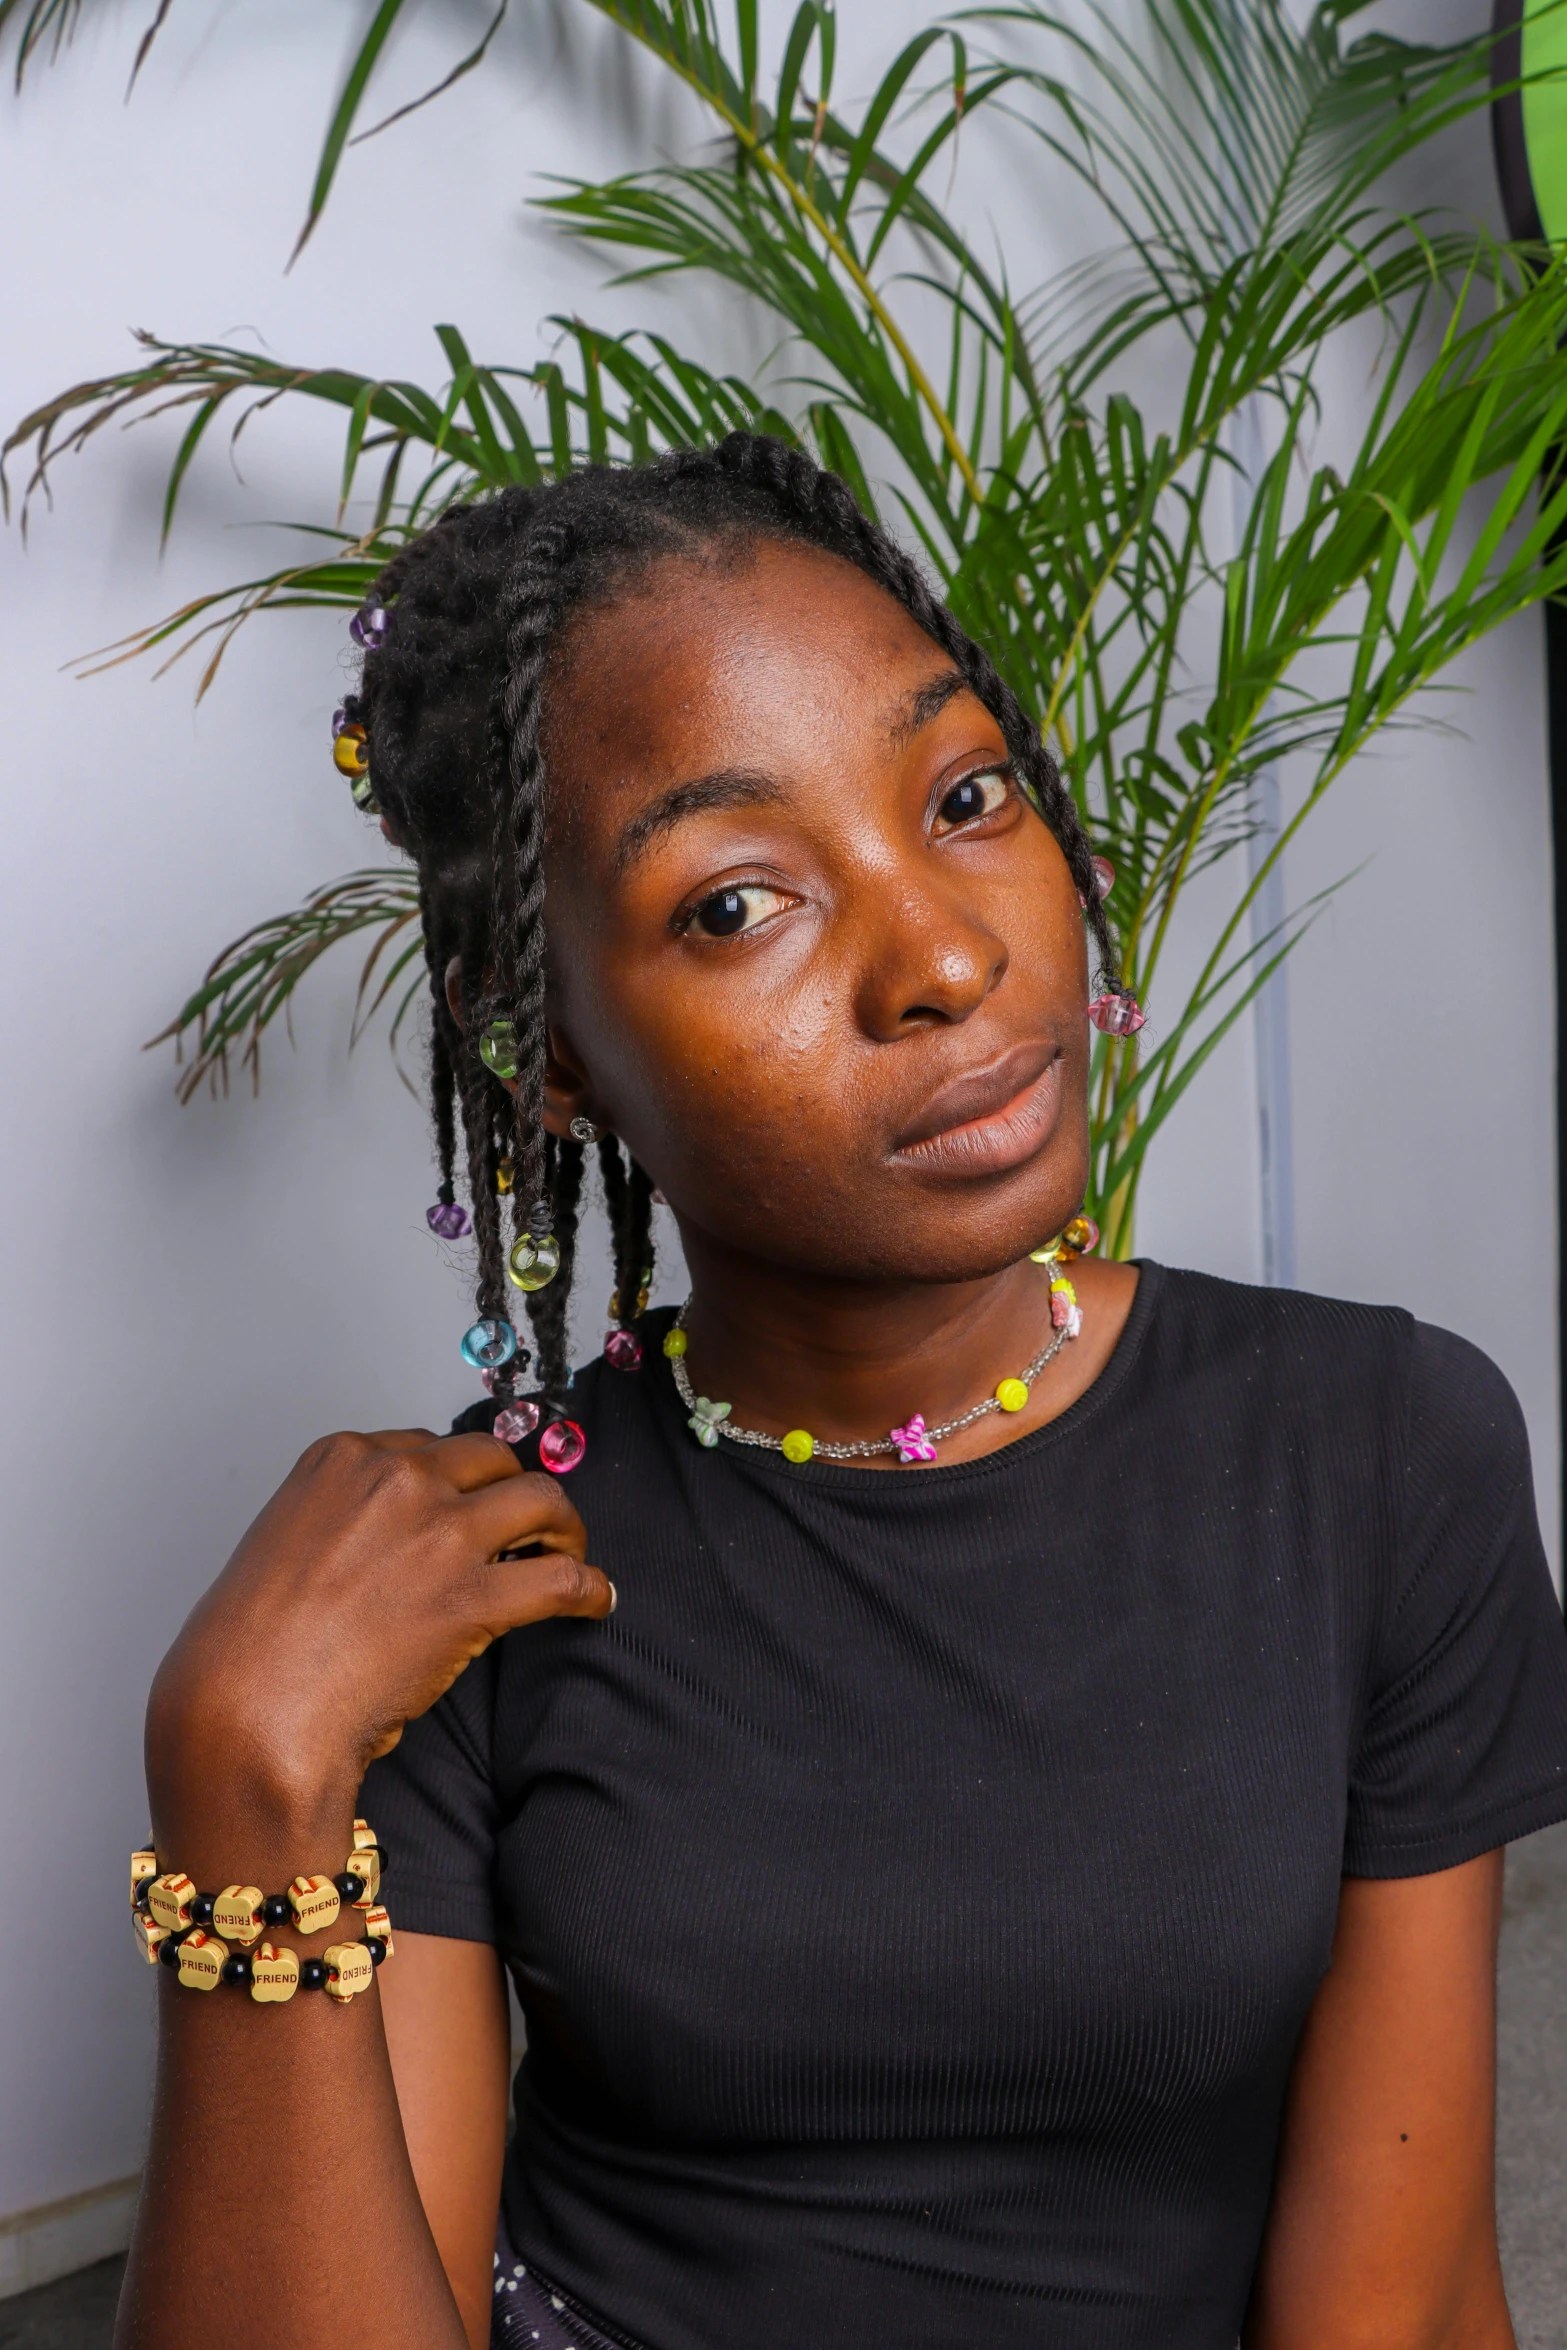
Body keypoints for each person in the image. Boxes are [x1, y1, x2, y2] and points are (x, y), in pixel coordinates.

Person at [121, 437, 1567, 2350]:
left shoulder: (1379, 1448)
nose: (947, 955)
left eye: (965, 795)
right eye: (736, 904)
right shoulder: (464, 1575)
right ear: (555, 1057)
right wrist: (240, 1780)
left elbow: (1395, 2294)